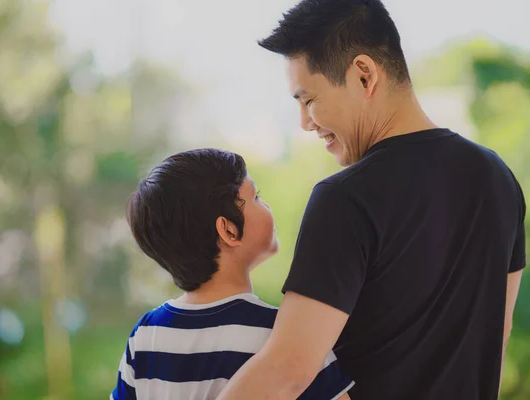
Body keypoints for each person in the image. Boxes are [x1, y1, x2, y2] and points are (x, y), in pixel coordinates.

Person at [216, 1, 526, 399]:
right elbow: (495, 338)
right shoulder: (498, 178)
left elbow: (287, 370)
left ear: (364, 75)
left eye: (308, 100)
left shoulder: (344, 199)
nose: (305, 123)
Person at [111, 149, 354, 400]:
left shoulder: (146, 335)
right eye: (256, 197)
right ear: (228, 230)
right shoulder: (281, 337)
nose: (267, 205)